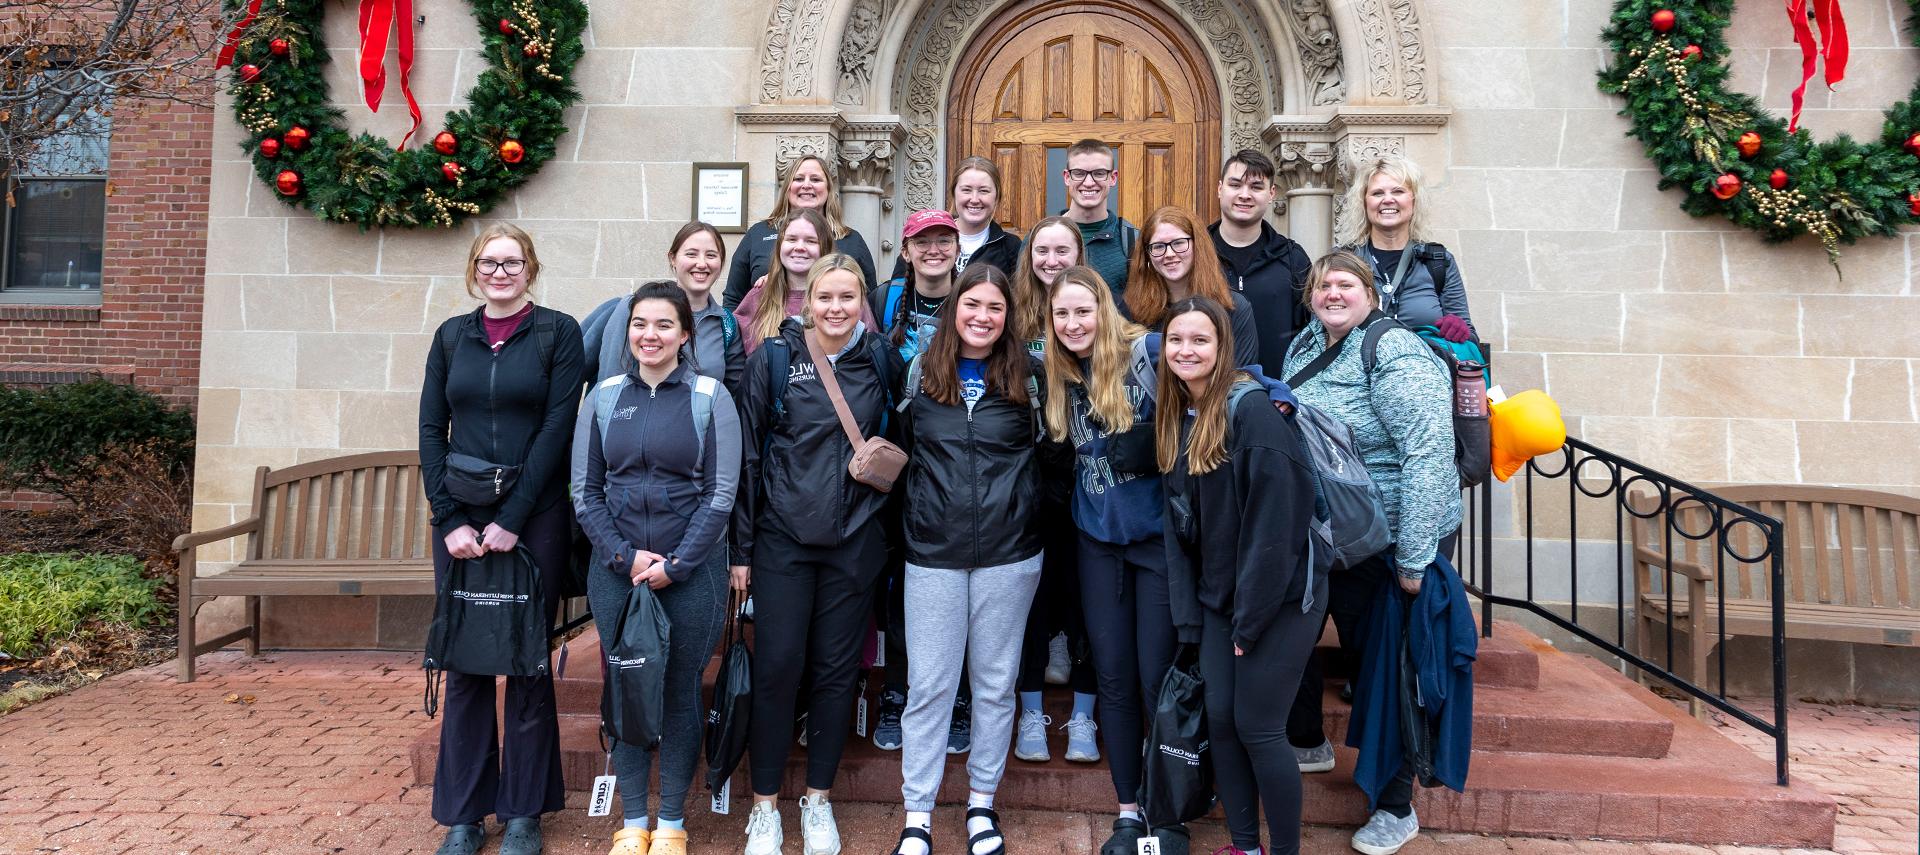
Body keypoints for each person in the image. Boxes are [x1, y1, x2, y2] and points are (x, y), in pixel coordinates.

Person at [1279, 250, 1460, 855]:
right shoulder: (1304, 347)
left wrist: (1414, 557)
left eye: (1346, 283)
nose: (1333, 292)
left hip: (1384, 542)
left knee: (1388, 671)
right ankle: (1308, 742)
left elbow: (1430, 450)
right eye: (1323, 284)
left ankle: (1394, 804)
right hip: (1323, 535)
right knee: (1294, 639)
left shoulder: (1394, 349)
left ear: (1372, 293)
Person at [418, 223, 584, 855]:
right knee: (464, 660)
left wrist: (513, 518)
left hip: (534, 518)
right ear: (473, 269)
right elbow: (433, 428)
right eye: (490, 262)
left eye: (513, 262)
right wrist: (449, 519)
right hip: (459, 518)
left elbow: (556, 429)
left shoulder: (558, 334)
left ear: (531, 269)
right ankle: (464, 812)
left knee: (525, 658)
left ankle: (523, 811)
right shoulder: (450, 337)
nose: (501, 272)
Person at [732, 253, 904, 855]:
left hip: (855, 542)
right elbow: (749, 455)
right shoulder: (776, 360)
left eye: (847, 298)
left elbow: (898, 445)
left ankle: (819, 801)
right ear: (807, 299)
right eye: (825, 297)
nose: (835, 309)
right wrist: (742, 549)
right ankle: (764, 807)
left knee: (836, 673)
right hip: (783, 539)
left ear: (863, 302)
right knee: (779, 668)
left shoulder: (880, 359)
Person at [573, 281, 740, 855]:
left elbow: (721, 495)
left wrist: (676, 563)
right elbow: (585, 491)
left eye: (665, 325)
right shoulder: (603, 397)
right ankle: (633, 820)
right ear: (628, 331)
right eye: (641, 324)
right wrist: (624, 557)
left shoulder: (710, 396)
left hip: (691, 572)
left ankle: (670, 821)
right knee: (626, 685)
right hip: (617, 570)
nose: (651, 335)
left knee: (678, 689)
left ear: (684, 335)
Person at [1157, 297, 1321, 855]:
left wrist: (1247, 626)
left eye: (1199, 340)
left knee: (1258, 727)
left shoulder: (1250, 411)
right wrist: (1193, 619)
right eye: (1176, 340)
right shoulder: (1177, 414)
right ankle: (1245, 846)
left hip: (1279, 597)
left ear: (1223, 347)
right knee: (1221, 722)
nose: (1186, 351)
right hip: (1219, 598)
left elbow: (1274, 530)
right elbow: (1178, 529)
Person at [890, 264, 1043, 855]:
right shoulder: (921, 371)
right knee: (929, 687)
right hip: (933, 551)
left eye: (994, 308)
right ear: (954, 308)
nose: (982, 317)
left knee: (995, 684)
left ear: (1008, 317)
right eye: (972, 305)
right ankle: (918, 814)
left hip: (1010, 553)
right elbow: (903, 451)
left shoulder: (1029, 376)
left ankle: (982, 804)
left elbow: (1053, 453)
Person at [1041, 265, 1180, 855]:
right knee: (1114, 678)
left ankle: (1167, 813)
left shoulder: (1148, 352)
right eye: (1061, 314)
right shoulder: (1056, 372)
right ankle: (1128, 811)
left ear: (1103, 307)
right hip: (1097, 543)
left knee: (1156, 679)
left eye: (1082, 310)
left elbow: (1235, 382)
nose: (1073, 323)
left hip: (1156, 545)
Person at [869, 207, 974, 757]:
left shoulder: (974, 296)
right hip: (896, 468)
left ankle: (958, 699)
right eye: (922, 242)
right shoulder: (886, 300)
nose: (933, 250)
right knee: (902, 590)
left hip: (958, 469)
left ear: (958, 247)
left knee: (956, 590)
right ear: (905, 250)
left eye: (943, 240)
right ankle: (898, 693)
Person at [1008, 236, 1100, 768]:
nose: (1070, 320)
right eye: (1040, 251)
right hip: (1033, 495)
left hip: (1094, 500)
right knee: (1032, 607)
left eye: (1079, 311)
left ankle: (1084, 715)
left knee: (1086, 605)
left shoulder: (1118, 349)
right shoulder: (1015, 325)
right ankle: (1031, 713)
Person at [581, 222, 744, 394]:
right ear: (673, 258)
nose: (702, 264)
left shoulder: (726, 324)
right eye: (691, 254)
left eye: (711, 255)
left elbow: (733, 392)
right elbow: (611, 381)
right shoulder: (634, 309)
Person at [1337, 155, 1475, 344]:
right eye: (1377, 193)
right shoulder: (1342, 261)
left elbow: (1470, 338)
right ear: (1364, 202)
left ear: (1413, 200)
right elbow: (1319, 333)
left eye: (1398, 191)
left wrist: (1459, 331)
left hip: (1423, 370)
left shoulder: (1439, 262)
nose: (1388, 200)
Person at [723, 154, 878, 308]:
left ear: (828, 188)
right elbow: (733, 299)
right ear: (787, 188)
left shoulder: (851, 240)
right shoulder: (759, 233)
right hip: (766, 328)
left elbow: (869, 301)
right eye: (798, 179)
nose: (806, 185)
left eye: (816, 179)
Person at [1208, 149, 1312, 373]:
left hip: (1275, 398)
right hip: (1202, 397)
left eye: (1256, 187)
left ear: (1271, 193)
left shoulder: (1293, 258)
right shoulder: (1195, 253)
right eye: (1235, 185)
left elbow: (1312, 333)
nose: (1245, 194)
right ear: (1219, 189)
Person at [1122, 206, 1260, 368]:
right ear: (1147, 254)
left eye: (1179, 243)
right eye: (1158, 246)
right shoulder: (1133, 311)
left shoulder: (1234, 308)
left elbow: (1241, 379)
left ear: (1198, 247)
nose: (1169, 254)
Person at [733, 209, 876, 354]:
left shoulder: (847, 297)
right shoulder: (759, 296)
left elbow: (869, 352)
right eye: (791, 239)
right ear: (779, 246)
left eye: (811, 241)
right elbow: (738, 360)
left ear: (824, 247)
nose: (800, 247)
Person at [886, 156, 1020, 281]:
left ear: (997, 197)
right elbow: (897, 292)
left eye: (984, 191)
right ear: (954, 194)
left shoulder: (1011, 247)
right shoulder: (922, 238)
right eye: (966, 190)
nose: (974, 199)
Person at [1059, 138, 1138, 300]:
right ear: (1067, 177)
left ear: (1113, 178)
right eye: (1079, 173)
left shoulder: (1133, 240)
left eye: (1099, 173)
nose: (1088, 182)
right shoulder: (1039, 239)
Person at [1010, 215, 1085, 355]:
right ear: (1030, 254)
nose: (1051, 261)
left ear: (1079, 253)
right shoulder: (1011, 307)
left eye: (1062, 251)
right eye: (1042, 251)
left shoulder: (1099, 306)